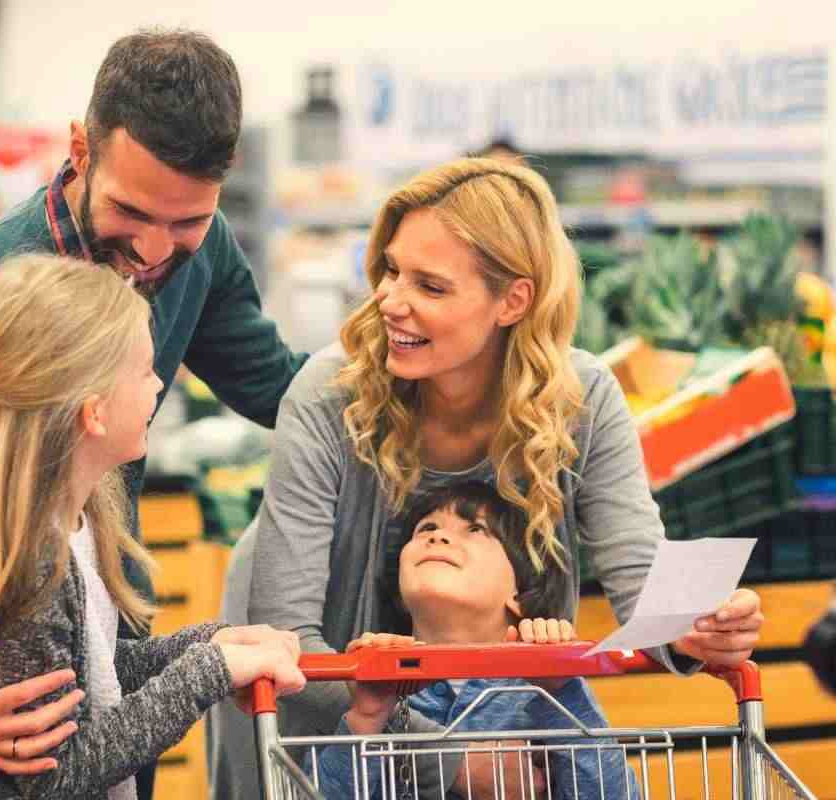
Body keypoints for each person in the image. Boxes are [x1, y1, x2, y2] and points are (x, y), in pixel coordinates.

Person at [0, 28, 307, 794]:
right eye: (131, 210)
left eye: (187, 222)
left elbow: (281, 389)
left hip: (107, 670)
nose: (155, 252)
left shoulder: (205, 247)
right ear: (81, 149)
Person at [210, 157, 764, 799]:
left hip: (494, 705)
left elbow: (644, 590)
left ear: (513, 300)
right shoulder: (329, 395)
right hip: (311, 675)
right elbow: (292, 650)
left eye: (431, 286)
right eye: (391, 270)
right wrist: (446, 760)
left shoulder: (582, 400)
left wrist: (697, 627)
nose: (389, 300)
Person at [0, 254, 305, 800]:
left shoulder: (76, 522)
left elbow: (91, 676)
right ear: (94, 413)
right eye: (144, 370)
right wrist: (208, 672)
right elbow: (56, 776)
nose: (159, 384)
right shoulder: (33, 563)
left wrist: (210, 644)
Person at [314, 481, 638, 800]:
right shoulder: (381, 689)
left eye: (474, 530)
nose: (437, 536)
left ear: (520, 594)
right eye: (426, 528)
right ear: (399, 593)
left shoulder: (546, 687)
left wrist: (563, 690)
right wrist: (367, 716)